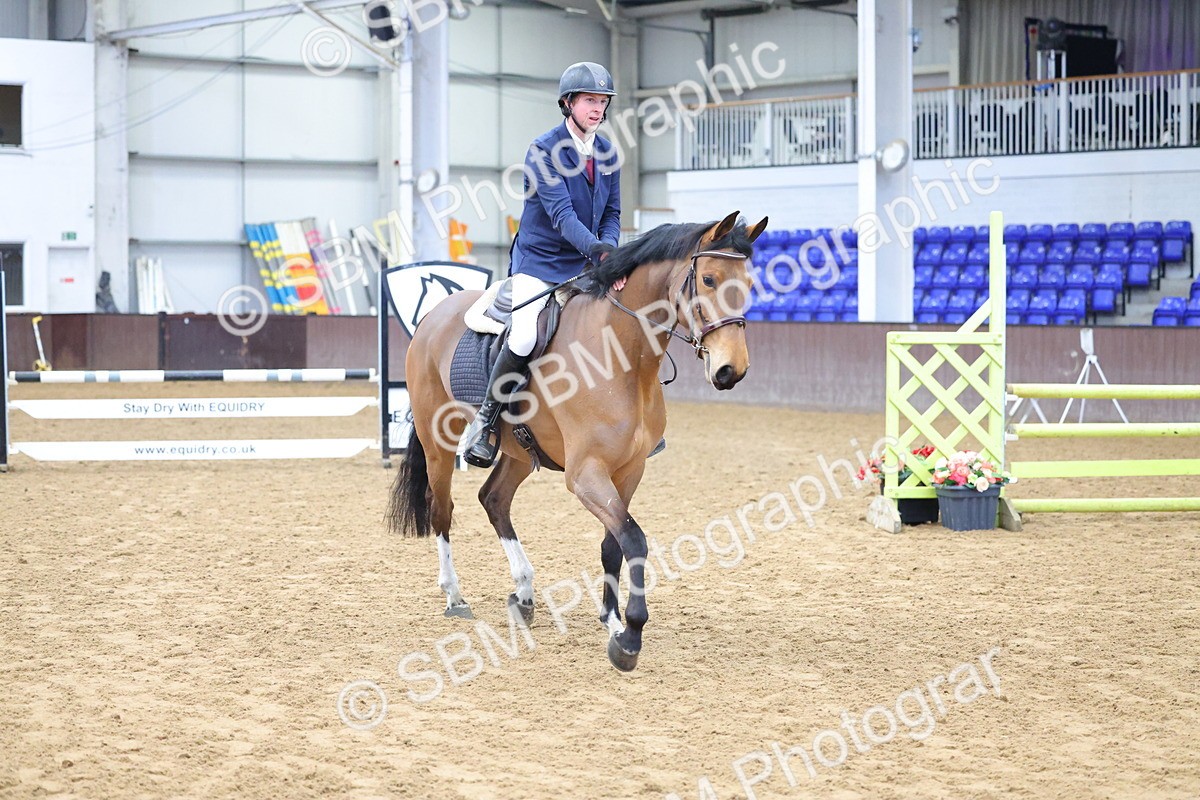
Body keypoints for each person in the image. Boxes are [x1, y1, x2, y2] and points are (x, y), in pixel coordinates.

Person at [461, 62, 623, 468]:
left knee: (619, 323)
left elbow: (612, 213)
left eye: (602, 102)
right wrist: (600, 253)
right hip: (542, 261)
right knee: (523, 338)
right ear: (568, 103)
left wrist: (611, 252)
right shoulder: (542, 150)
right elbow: (563, 215)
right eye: (590, 100)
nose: (597, 108)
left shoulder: (607, 153)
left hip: (587, 261)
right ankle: (486, 421)